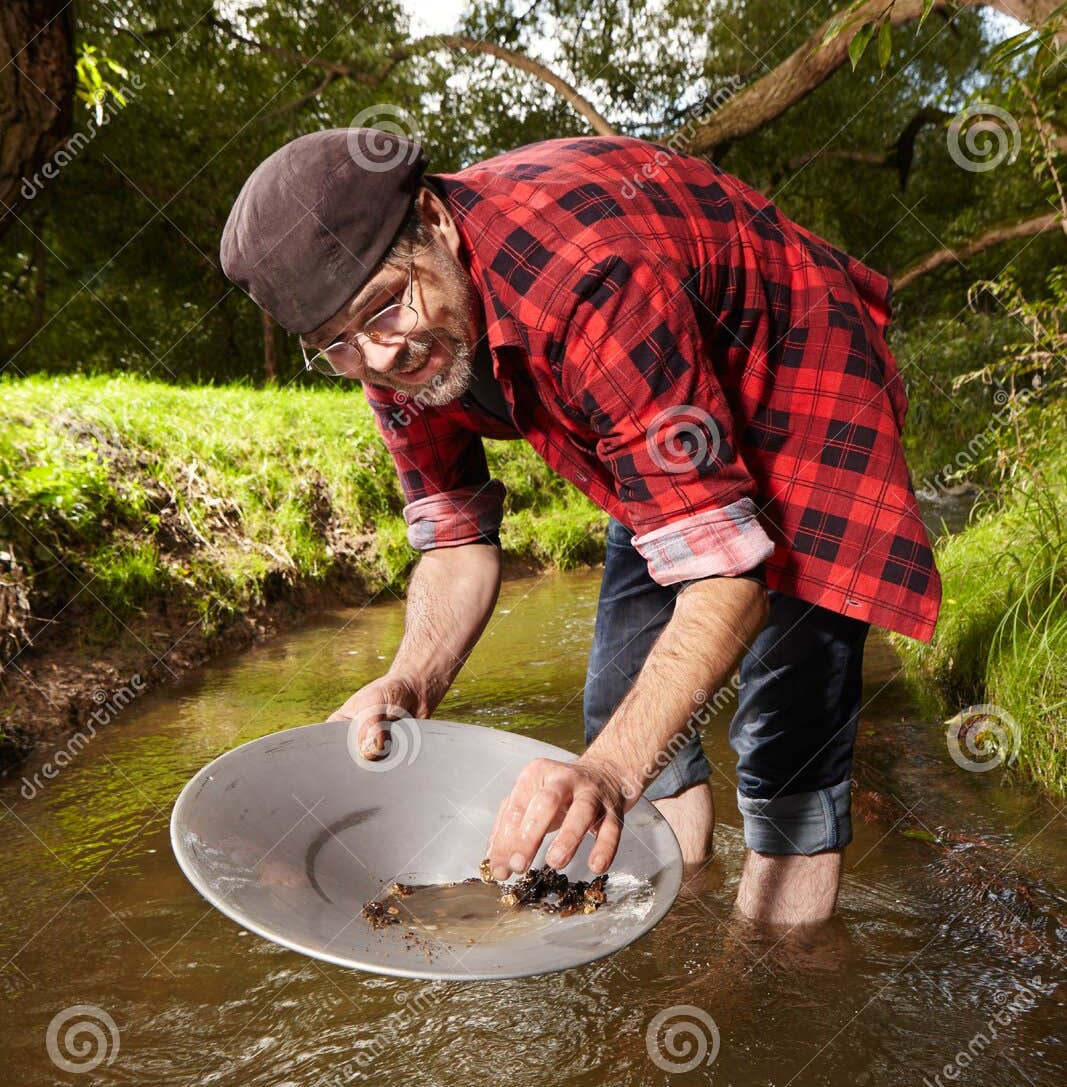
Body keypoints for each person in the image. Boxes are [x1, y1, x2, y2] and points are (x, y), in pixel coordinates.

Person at [220, 128, 940, 927]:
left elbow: (726, 582)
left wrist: (607, 774)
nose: (380, 360)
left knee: (780, 741)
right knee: (618, 703)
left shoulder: (587, 277)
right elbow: (457, 541)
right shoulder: (386, 339)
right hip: (656, 412)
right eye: (336, 347)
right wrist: (410, 679)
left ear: (433, 216)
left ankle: (779, 977)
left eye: (385, 309)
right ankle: (679, 904)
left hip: (796, 382)